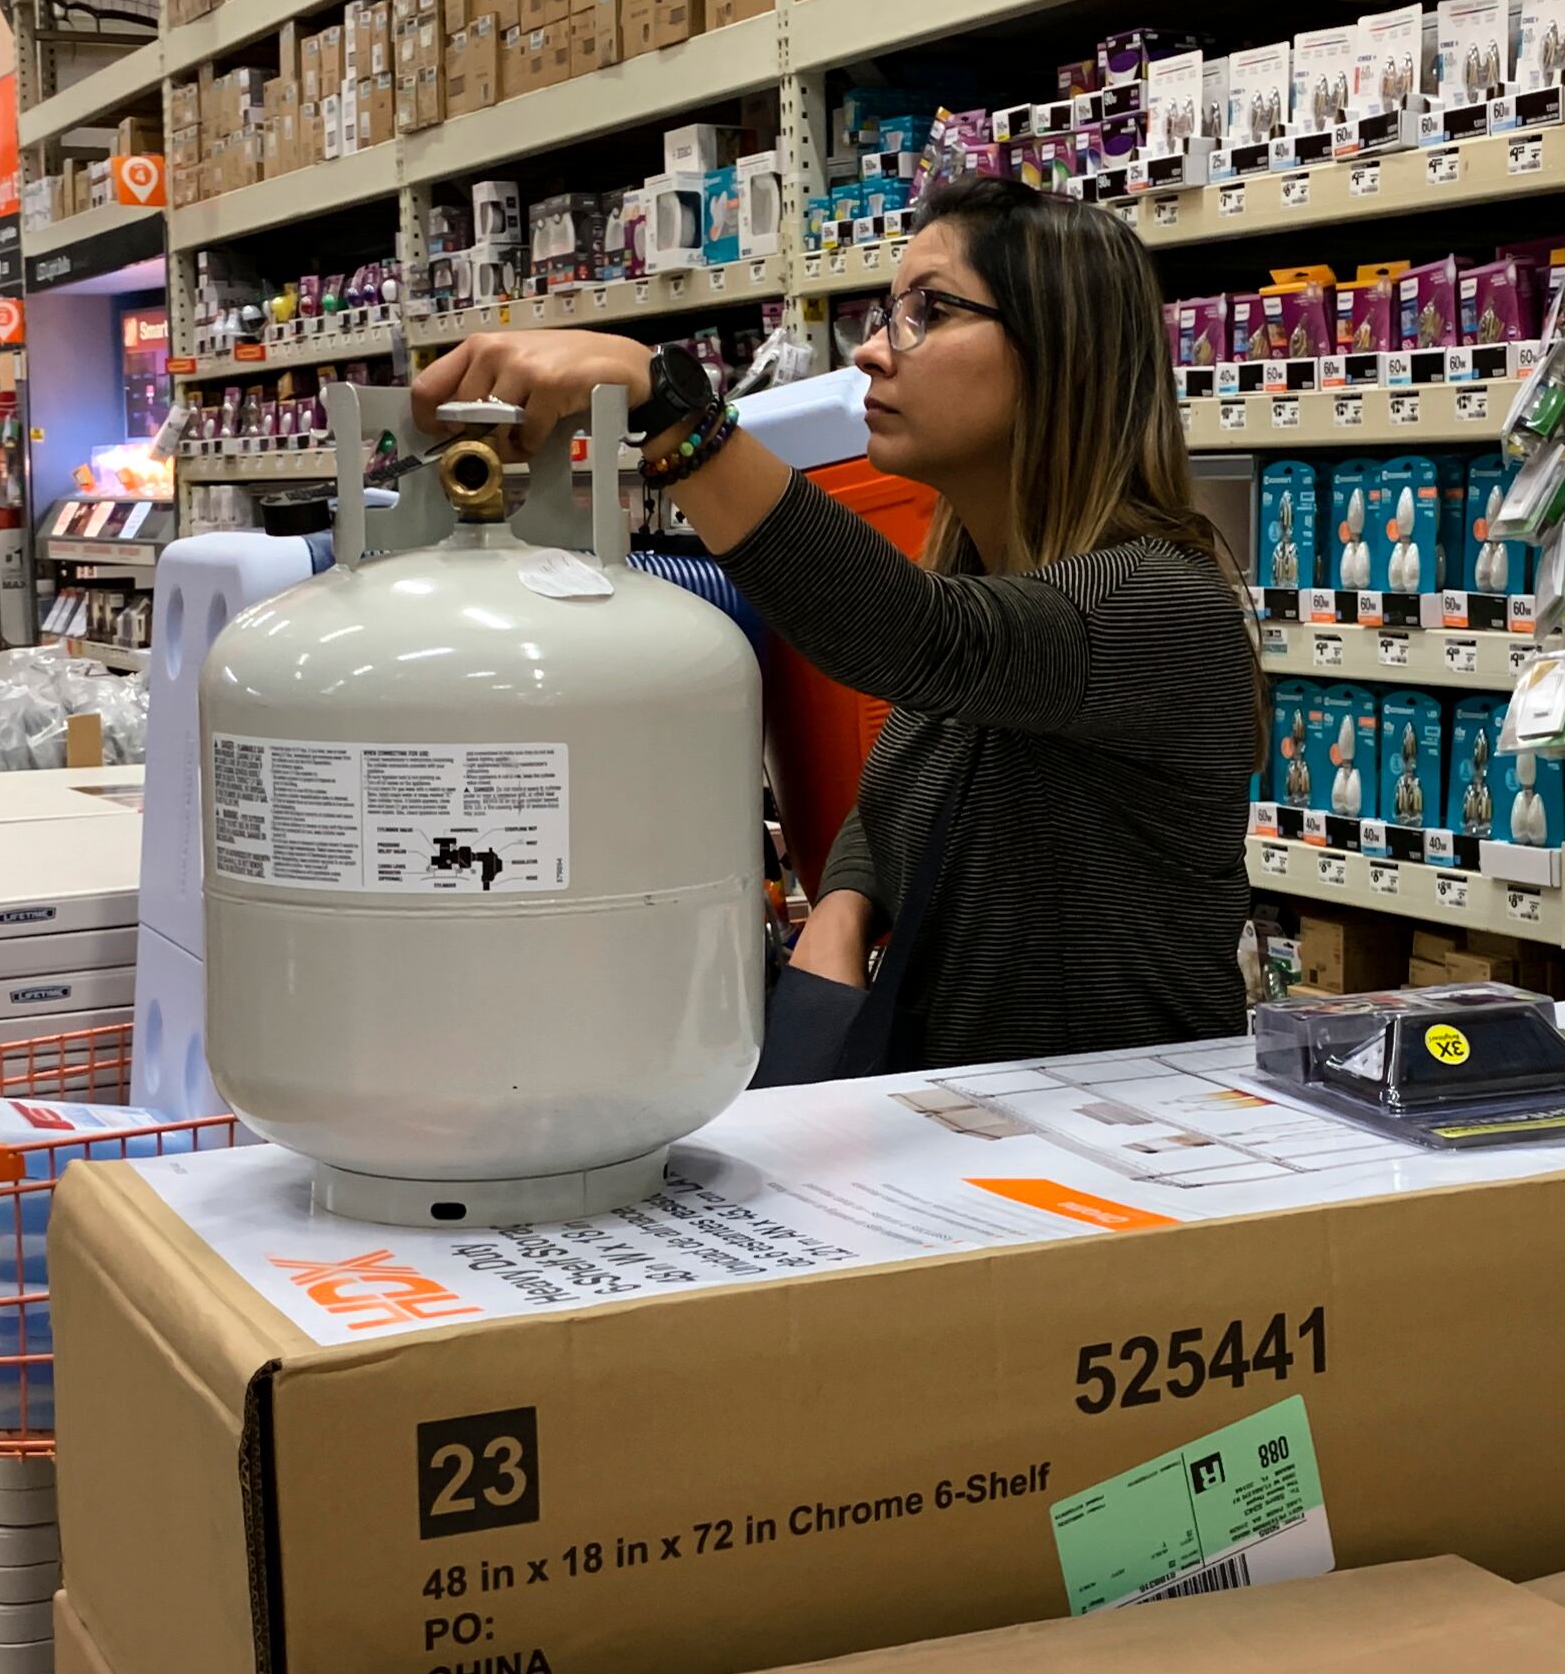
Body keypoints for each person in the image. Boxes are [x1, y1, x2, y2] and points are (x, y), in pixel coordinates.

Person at [411, 177, 1262, 1074]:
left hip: (1117, 1157)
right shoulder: (986, 581)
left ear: (1061, 352)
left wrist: (670, 413)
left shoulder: (1155, 605)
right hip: (975, 1136)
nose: (871, 352)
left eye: (928, 311)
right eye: (887, 311)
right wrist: (850, 899)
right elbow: (913, 765)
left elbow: (914, 637)